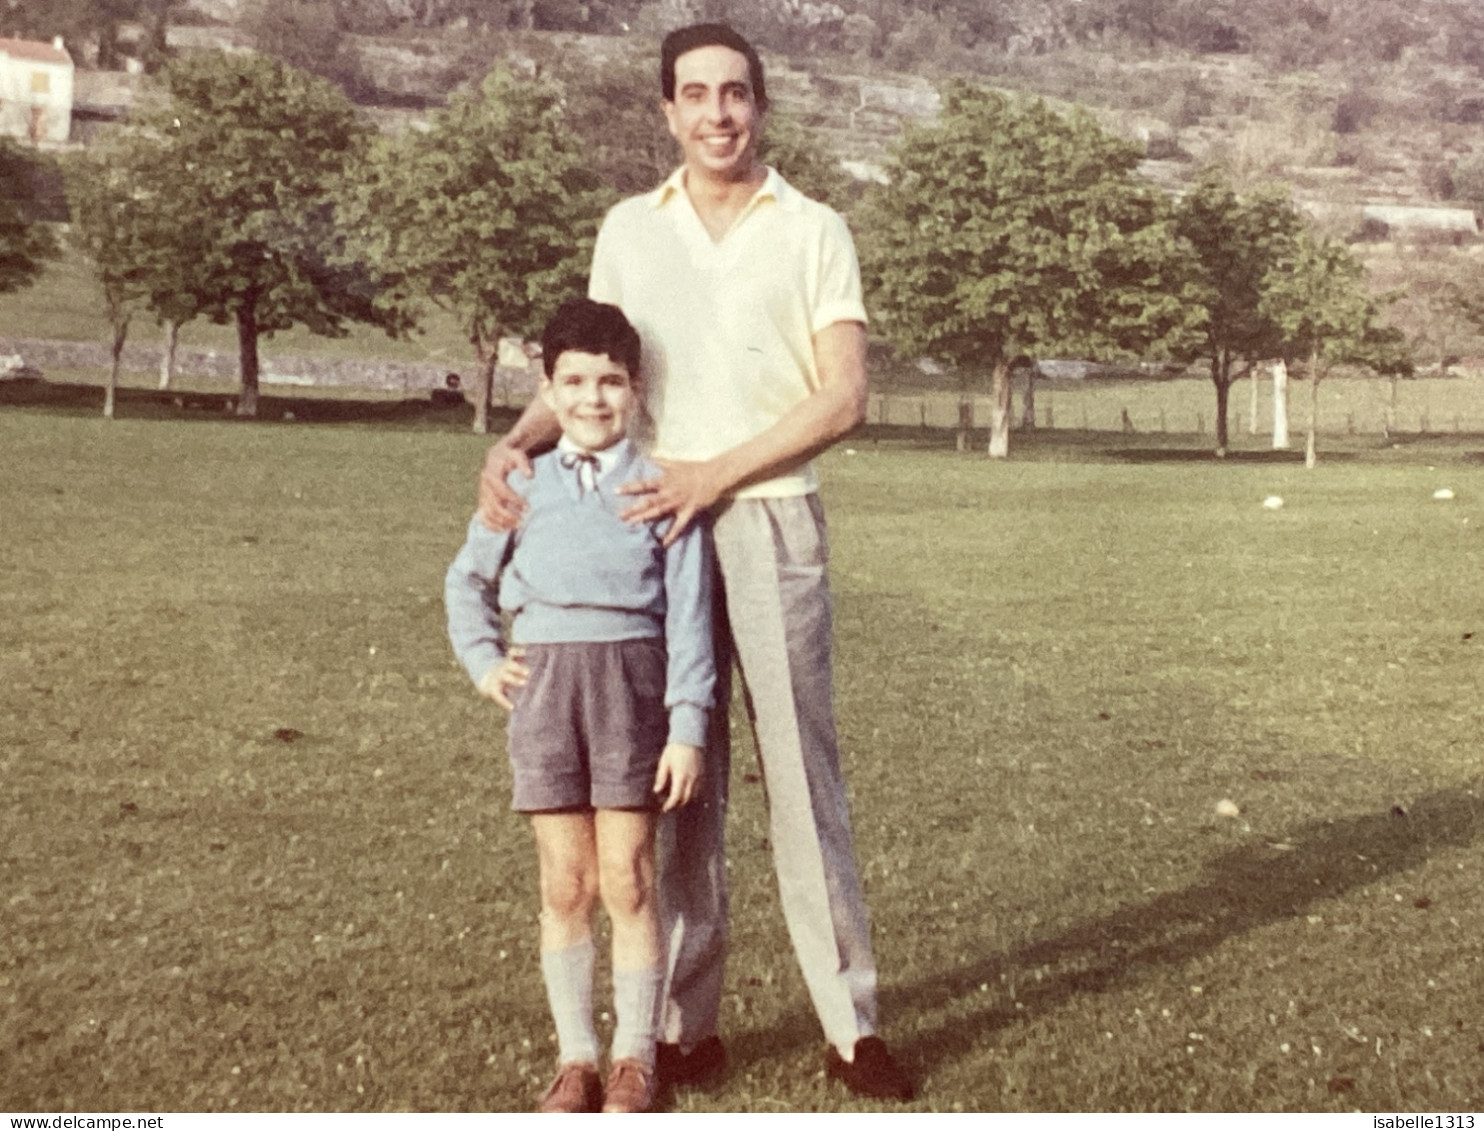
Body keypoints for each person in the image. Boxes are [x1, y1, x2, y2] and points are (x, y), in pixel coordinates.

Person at [478, 23, 914, 1103]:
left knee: (801, 780)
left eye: (735, 93)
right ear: (666, 112)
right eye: (694, 95)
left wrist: (714, 473)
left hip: (766, 517)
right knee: (672, 779)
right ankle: (678, 1023)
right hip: (648, 525)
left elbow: (843, 397)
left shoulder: (812, 227)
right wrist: (514, 441)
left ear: (758, 105)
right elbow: (590, 372)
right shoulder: (630, 228)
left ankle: (848, 1024)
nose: (717, 113)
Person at [447, 297, 715, 1113]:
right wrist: (486, 661)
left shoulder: (662, 488)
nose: (592, 399)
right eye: (574, 382)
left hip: (632, 694)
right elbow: (467, 581)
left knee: (628, 880)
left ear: (635, 388)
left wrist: (687, 727)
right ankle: (577, 1060)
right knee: (566, 884)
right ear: (548, 386)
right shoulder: (523, 483)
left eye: (610, 382)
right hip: (547, 697)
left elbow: (691, 615)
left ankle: (637, 1056)